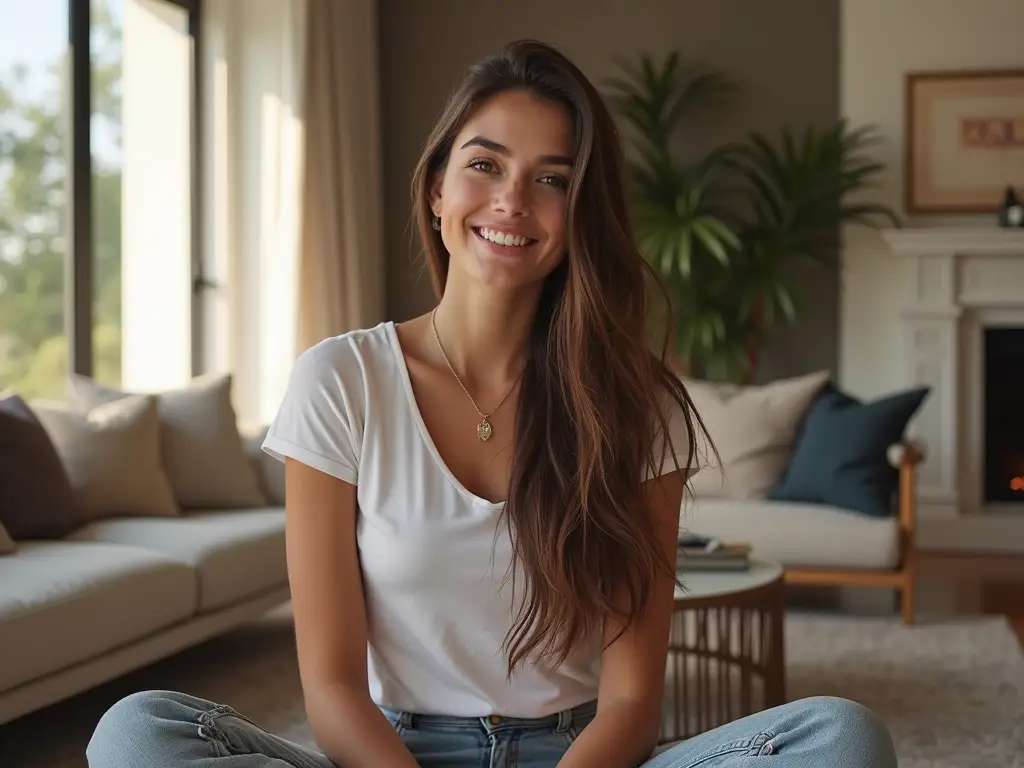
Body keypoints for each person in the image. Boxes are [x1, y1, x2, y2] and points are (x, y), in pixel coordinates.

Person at [86, 39, 897, 768]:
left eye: (552, 180)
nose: (513, 199)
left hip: (576, 757)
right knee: (137, 731)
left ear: (579, 219)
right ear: (437, 190)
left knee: (842, 738)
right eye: (485, 164)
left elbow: (630, 704)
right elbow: (332, 690)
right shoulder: (342, 379)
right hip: (391, 755)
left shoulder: (636, 404)